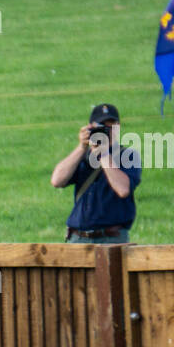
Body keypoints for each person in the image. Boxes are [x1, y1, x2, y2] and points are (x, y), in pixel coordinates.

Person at [50, 103, 142, 243]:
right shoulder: (83, 156)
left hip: (111, 239)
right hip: (77, 238)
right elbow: (57, 180)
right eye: (102, 126)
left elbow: (123, 189)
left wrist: (103, 153)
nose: (107, 130)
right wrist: (82, 147)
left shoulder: (128, 156)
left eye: (111, 126)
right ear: (90, 127)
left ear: (118, 127)